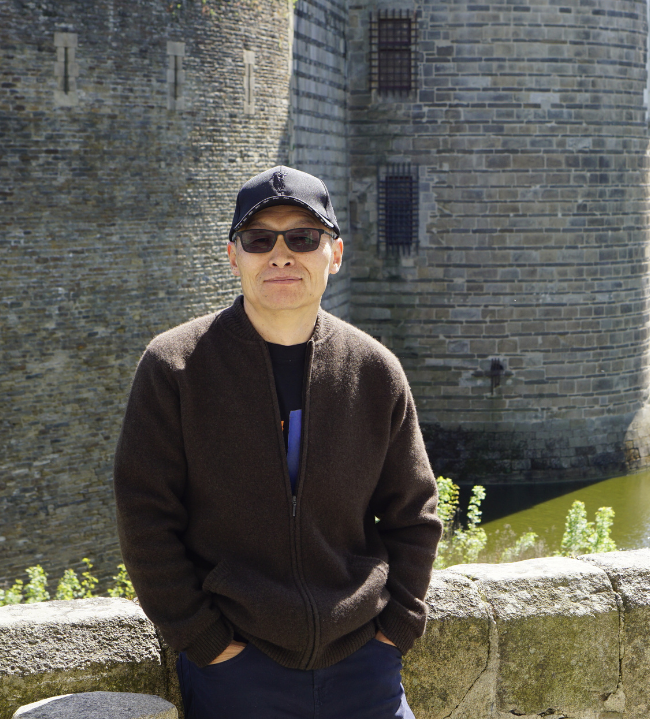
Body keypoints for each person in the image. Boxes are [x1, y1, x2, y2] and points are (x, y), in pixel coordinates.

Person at [114, 166, 441, 719]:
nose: (281, 256)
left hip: (364, 666)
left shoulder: (374, 370)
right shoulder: (175, 366)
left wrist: (397, 628)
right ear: (233, 256)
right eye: (259, 239)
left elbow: (414, 514)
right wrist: (205, 641)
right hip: (236, 675)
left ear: (335, 254)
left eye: (303, 238)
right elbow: (145, 515)